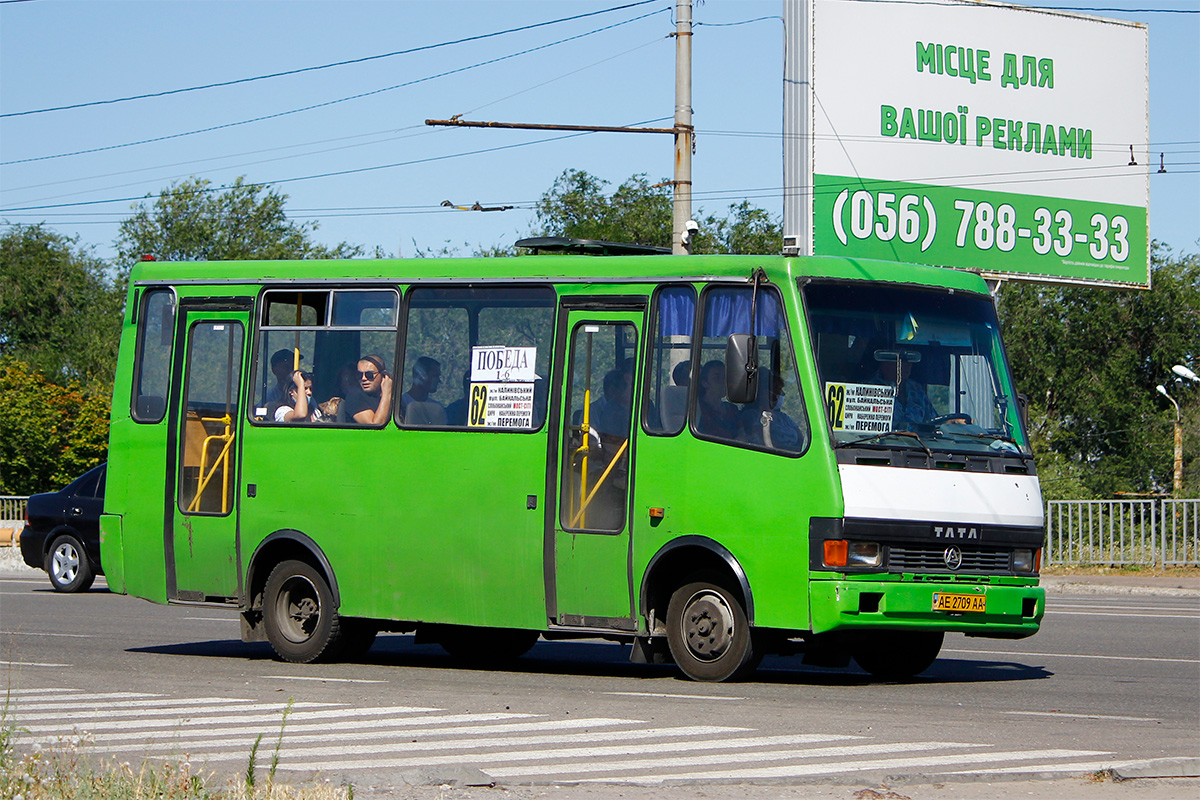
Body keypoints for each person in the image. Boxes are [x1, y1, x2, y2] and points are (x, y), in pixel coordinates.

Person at [870, 349, 937, 430]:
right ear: (885, 363)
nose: (908, 365)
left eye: (909, 361)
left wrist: (949, 423)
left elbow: (933, 421)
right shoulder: (870, 390)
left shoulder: (916, 389)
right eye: (902, 360)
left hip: (917, 441)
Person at [695, 360, 739, 439]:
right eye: (716, 378)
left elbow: (742, 433)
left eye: (725, 378)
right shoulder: (697, 410)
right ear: (705, 383)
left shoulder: (732, 409)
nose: (723, 382)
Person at [344, 355, 393, 425]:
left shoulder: (393, 398)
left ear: (383, 375)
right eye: (359, 375)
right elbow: (375, 426)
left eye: (369, 375)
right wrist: (386, 393)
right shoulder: (355, 396)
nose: (364, 378)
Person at [400, 356, 446, 425]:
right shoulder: (401, 404)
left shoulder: (437, 408)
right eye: (435, 376)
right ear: (421, 376)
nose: (439, 381)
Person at [588, 368, 632, 436]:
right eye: (629, 388)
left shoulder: (628, 408)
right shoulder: (594, 410)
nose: (632, 392)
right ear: (612, 390)